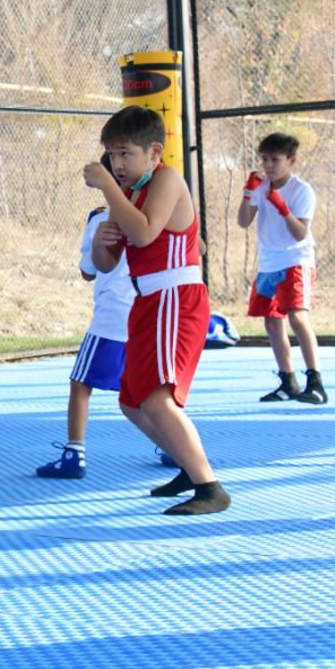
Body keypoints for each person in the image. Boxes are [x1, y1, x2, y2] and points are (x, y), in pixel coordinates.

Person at [83, 105, 229, 515]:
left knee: (158, 399)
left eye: (126, 153)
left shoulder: (166, 179)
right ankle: (188, 466)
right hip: (147, 301)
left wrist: (108, 189)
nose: (117, 163)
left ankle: (209, 486)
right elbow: (108, 263)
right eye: (111, 154)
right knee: (130, 400)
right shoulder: (127, 194)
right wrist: (100, 240)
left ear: (154, 152)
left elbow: (146, 234)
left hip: (175, 300)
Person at [36, 162, 135, 479]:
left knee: (80, 384)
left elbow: (87, 272)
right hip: (149, 315)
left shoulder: (100, 218)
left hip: (111, 318)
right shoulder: (153, 215)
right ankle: (174, 449)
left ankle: (74, 452)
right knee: (153, 392)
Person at [237, 133, 325, 404]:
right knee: (272, 322)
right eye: (264, 159)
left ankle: (316, 382)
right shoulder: (260, 186)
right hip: (269, 262)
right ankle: (288, 382)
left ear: (291, 161)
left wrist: (282, 208)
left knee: (297, 317)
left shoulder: (302, 190)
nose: (268, 165)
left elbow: (300, 233)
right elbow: (243, 221)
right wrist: (248, 193)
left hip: (295, 260)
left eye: (275, 159)